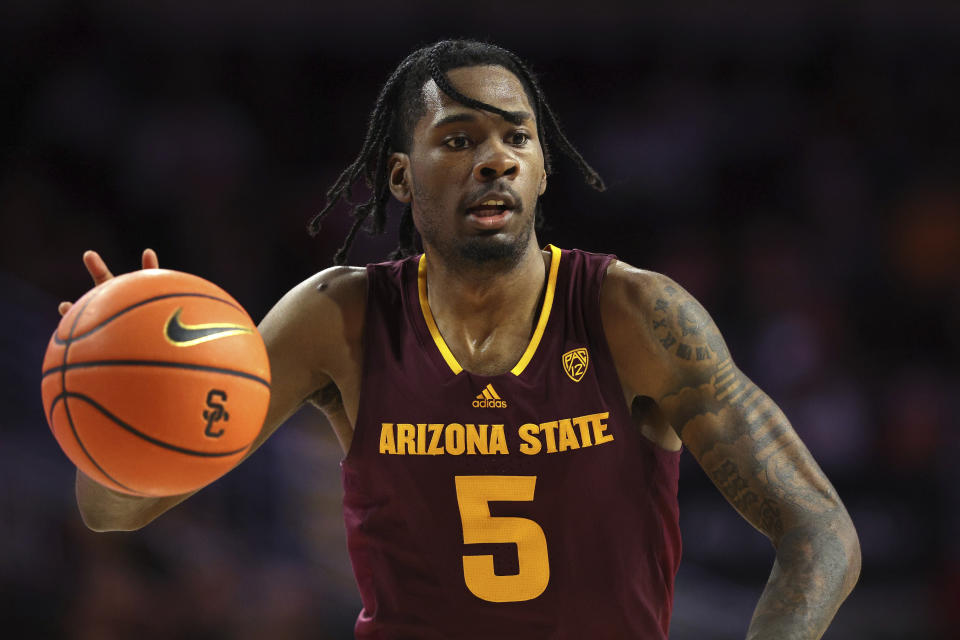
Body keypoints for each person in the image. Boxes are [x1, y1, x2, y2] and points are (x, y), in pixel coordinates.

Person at [61, 40, 860, 639]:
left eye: (518, 139)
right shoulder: (338, 319)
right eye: (458, 140)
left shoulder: (633, 314)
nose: (495, 161)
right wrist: (126, 392)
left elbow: (819, 527)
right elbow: (114, 511)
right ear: (402, 177)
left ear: (545, 170)